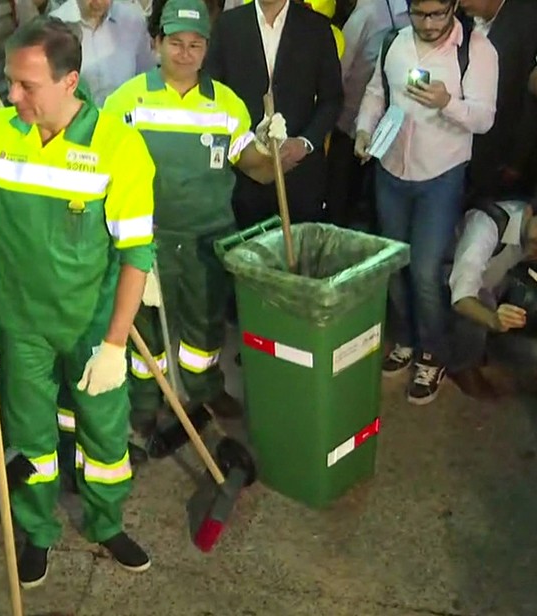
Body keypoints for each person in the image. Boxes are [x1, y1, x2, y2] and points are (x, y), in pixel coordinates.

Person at [0, 16, 155, 587]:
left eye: (27, 85)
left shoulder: (117, 148)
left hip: (91, 325)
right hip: (20, 325)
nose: (13, 96)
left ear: (70, 81)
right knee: (29, 440)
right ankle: (38, 531)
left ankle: (105, 523)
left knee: (102, 434)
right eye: (10, 81)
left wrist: (117, 343)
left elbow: (135, 255)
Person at [103, 0, 285, 455]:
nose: (185, 54)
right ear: (156, 43)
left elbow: (258, 170)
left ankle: (205, 390)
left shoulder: (226, 104)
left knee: (204, 326)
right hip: (146, 240)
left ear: (207, 49)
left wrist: (270, 144)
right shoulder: (127, 102)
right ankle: (146, 402)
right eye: (176, 43)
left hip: (207, 238)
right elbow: (103, 170)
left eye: (196, 45)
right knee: (145, 329)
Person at [355, 0, 498, 404]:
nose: (430, 23)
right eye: (421, 14)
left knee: (424, 269)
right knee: (396, 263)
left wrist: (446, 102)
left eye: (438, 13)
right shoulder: (395, 43)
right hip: (391, 170)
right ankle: (403, 338)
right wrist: (364, 131)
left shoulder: (477, 50)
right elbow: (374, 94)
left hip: (442, 175)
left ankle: (433, 353)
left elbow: (485, 118)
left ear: (453, 6)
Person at [206, 0, 343, 226]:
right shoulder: (228, 25)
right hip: (243, 174)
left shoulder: (316, 28)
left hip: (299, 174)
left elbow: (332, 98)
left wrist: (305, 142)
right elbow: (213, 96)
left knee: (300, 255)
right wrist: (242, 146)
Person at [327, 0, 410, 229]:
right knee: (341, 202)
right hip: (349, 125)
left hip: (394, 131)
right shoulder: (368, 12)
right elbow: (339, 68)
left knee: (375, 208)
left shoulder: (425, 16)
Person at [448, 200, 537, 395]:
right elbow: (462, 297)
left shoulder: (530, 229)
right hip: (453, 281)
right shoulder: (485, 226)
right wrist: (493, 320)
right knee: (479, 306)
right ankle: (462, 365)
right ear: (529, 212)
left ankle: (484, 341)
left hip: (499, 276)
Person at [460, 0, 537, 203]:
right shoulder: (458, 18)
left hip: (502, 160)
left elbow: (529, 102)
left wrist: (516, 161)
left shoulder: (529, 23)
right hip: (457, 151)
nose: (461, 2)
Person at [51, 0, 156, 105]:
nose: (99, 2)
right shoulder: (54, 26)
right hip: (80, 118)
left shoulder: (133, 21)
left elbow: (147, 76)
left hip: (127, 114)